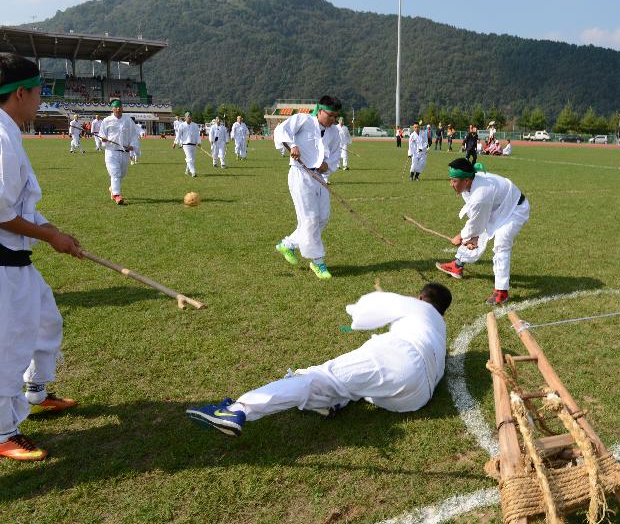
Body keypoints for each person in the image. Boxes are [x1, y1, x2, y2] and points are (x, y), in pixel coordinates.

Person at [185, 283, 452, 437]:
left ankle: (238, 410)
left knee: (318, 378)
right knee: (355, 383)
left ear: (421, 296)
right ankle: (332, 402)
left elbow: (363, 315)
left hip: (399, 358)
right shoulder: (441, 329)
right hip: (415, 398)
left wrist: (372, 304)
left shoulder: (416, 306)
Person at [0, 53, 82, 461]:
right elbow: (0, 213)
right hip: (2, 264)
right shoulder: (0, 138)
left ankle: (37, 392)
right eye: (38, 93)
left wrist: (54, 232)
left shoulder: (9, 132)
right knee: (9, 345)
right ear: (19, 94)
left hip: (16, 261)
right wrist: (49, 237)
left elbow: (20, 206)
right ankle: (3, 433)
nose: (40, 101)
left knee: (47, 319)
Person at [436, 158, 530, 305]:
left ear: (466, 181)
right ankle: (458, 265)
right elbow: (476, 216)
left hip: (515, 209)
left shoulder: (481, 194)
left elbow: (476, 220)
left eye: (454, 181)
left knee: (501, 244)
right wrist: (473, 236)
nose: (451, 184)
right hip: (495, 207)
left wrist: (462, 236)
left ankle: (501, 292)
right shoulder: (470, 184)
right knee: (476, 235)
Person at [273, 95, 342, 280]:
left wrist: (327, 165)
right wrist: (293, 145)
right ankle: (317, 261)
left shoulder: (334, 132)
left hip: (318, 177)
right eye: (331, 115)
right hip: (300, 174)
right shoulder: (303, 120)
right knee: (310, 219)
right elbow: (281, 130)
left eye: (336, 117)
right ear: (320, 110)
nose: (334, 120)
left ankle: (288, 244)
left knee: (322, 218)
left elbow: (334, 155)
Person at [98, 99, 139, 205]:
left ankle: (112, 188)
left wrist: (132, 145)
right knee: (115, 172)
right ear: (112, 109)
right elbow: (102, 134)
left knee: (122, 173)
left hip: (124, 152)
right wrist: (103, 139)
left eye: (120, 106)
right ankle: (117, 195)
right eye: (116, 107)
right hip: (111, 151)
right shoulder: (106, 121)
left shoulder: (128, 120)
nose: (118, 108)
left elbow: (134, 134)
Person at [175, 112, 201, 177]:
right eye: (188, 116)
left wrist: (199, 142)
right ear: (185, 118)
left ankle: (187, 171)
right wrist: (175, 142)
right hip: (186, 144)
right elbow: (178, 135)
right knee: (189, 159)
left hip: (193, 144)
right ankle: (193, 172)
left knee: (192, 159)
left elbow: (197, 135)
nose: (189, 117)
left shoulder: (195, 125)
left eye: (190, 116)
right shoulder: (182, 125)